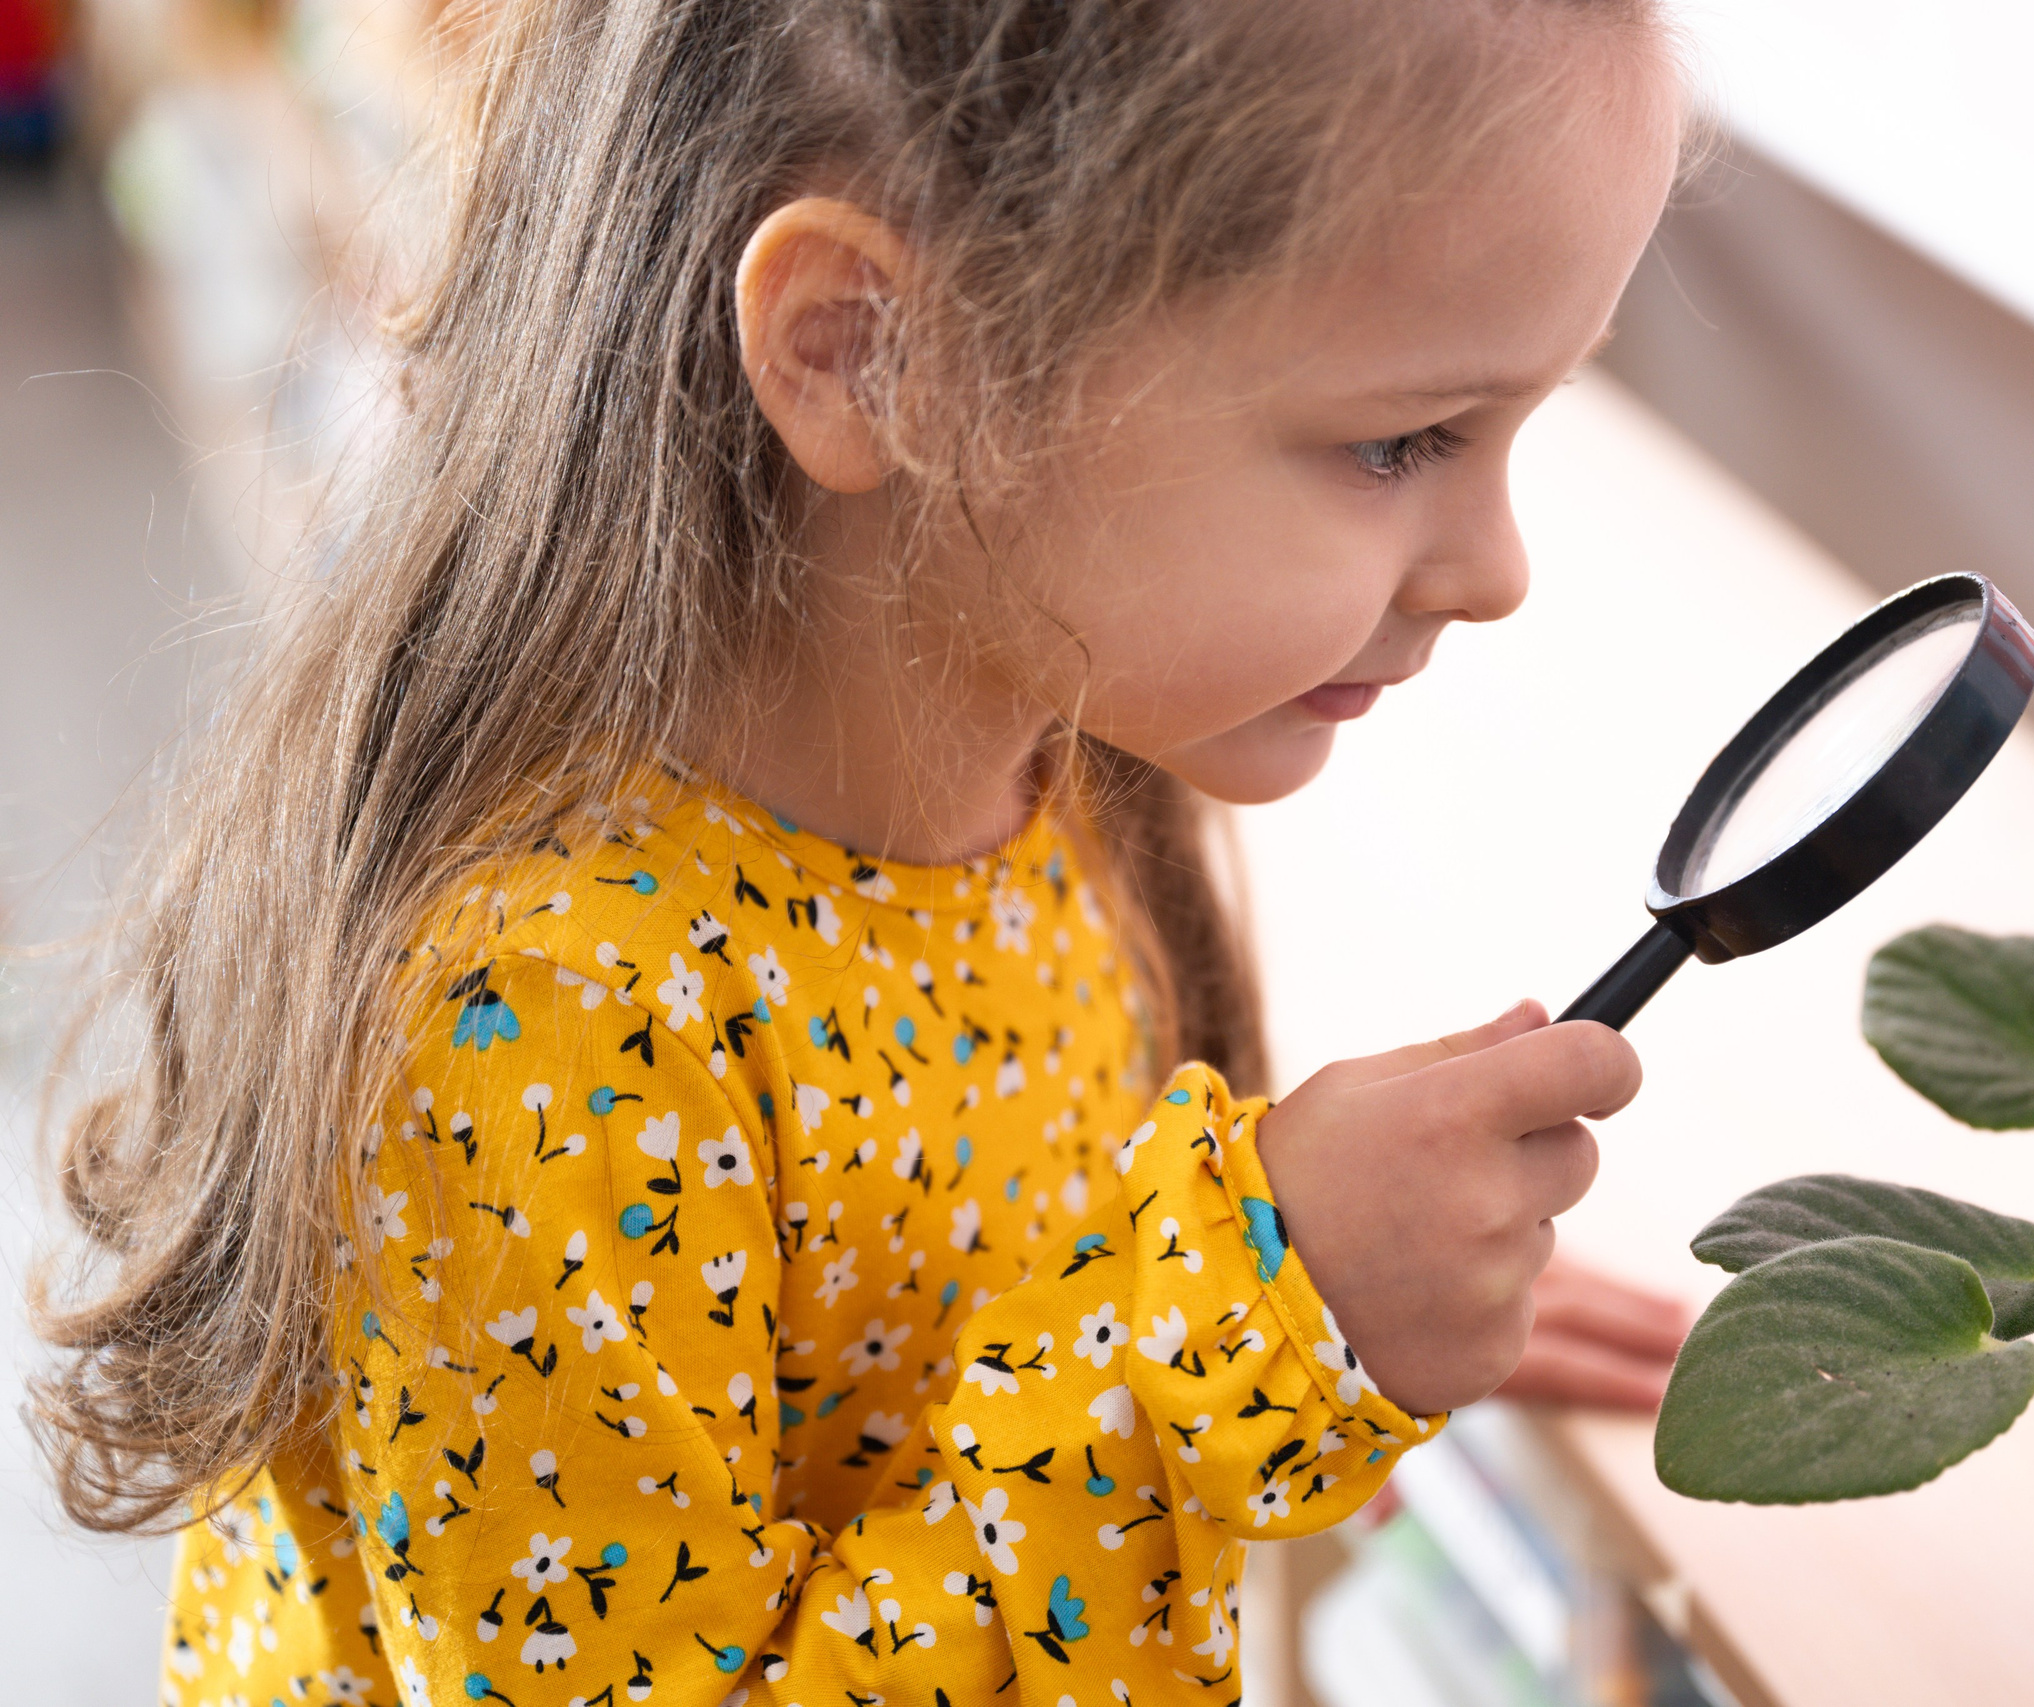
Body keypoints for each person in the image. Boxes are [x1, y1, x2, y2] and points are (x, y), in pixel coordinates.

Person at [32, 1, 1693, 1700]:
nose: (1499, 570)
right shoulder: (537, 1026)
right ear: (862, 355)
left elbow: (968, 1321)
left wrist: (1323, 1313)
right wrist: (1226, 1351)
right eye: (1402, 441)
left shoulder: (1058, 751)